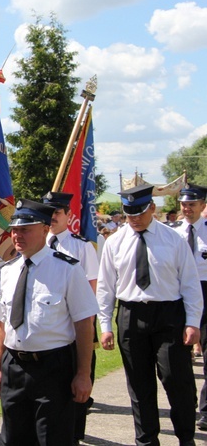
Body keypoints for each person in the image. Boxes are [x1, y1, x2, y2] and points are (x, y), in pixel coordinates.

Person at [97, 184, 202, 446]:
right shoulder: (115, 243)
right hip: (131, 315)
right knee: (139, 384)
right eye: (130, 214)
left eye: (140, 213)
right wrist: (105, 325)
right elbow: (106, 287)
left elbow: (189, 283)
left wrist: (192, 322)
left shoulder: (173, 239)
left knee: (176, 379)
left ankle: (186, 437)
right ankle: (146, 440)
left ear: (152, 208)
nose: (135, 219)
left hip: (168, 314)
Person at [0, 199, 97, 446]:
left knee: (53, 439)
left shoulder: (67, 269)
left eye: (25, 229)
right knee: (14, 439)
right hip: (14, 366)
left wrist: (83, 374)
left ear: (45, 229)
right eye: (15, 229)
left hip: (53, 368)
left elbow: (84, 324)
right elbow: (2, 324)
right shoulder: (7, 271)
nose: (17, 235)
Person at [42, 191, 100, 444]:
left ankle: (75, 434)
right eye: (48, 212)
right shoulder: (37, 243)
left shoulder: (82, 246)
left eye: (57, 212)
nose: (52, 217)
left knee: (77, 386)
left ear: (68, 215)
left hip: (74, 326)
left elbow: (91, 287)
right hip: (46, 329)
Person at [172, 184, 207, 430]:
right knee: (178, 358)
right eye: (184, 204)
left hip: (206, 291)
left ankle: (205, 410)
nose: (187, 209)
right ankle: (187, 404)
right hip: (179, 296)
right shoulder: (172, 233)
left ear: (203, 205)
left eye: (192, 204)